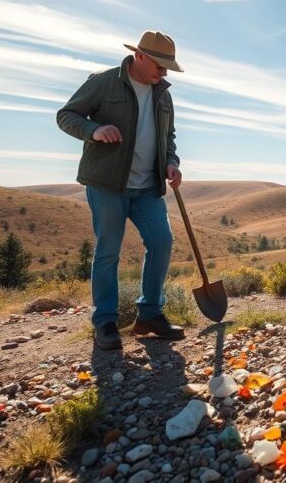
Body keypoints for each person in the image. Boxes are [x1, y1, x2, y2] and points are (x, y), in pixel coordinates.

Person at [57, 30, 187, 350]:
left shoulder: (163, 94)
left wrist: (171, 162)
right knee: (108, 252)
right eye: (160, 64)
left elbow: (168, 138)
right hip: (107, 185)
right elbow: (66, 116)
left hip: (147, 187)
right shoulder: (104, 82)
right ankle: (105, 322)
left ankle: (150, 315)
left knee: (161, 241)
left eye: (168, 66)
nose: (164, 72)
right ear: (140, 57)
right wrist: (94, 129)